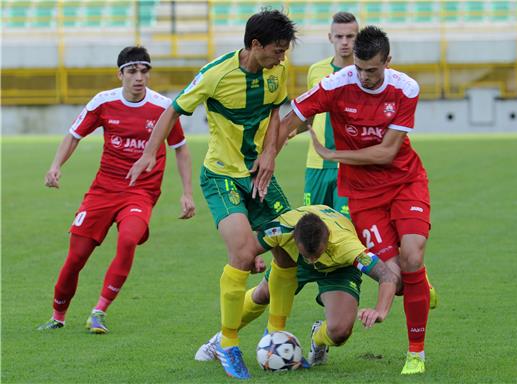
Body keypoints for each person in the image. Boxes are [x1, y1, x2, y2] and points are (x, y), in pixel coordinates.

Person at [126, 9, 297, 379]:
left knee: (289, 248)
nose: (282, 58)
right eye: (277, 51)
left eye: (285, 51)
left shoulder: (278, 71)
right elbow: (172, 112)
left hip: (259, 174)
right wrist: (146, 154)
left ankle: (275, 331)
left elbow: (275, 113)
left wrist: (270, 153)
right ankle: (228, 342)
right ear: (255, 45)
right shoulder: (215, 75)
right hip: (221, 176)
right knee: (242, 254)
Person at [277, 26, 433, 375]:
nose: (364, 76)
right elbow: (294, 117)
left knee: (413, 255)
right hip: (363, 195)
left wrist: (334, 154)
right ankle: (421, 288)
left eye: (372, 70)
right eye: (360, 69)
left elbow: (388, 150)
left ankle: (416, 353)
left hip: (405, 181)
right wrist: (269, 154)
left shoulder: (405, 88)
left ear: (387, 62)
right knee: (398, 278)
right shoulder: (338, 83)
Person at [37, 46, 195, 334]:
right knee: (76, 257)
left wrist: (187, 193)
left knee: (128, 239)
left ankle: (99, 311)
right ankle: (57, 315)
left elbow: (180, 149)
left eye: (144, 71)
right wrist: (55, 165)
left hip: (140, 192)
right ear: (120, 74)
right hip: (103, 190)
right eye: (132, 71)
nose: (139, 77)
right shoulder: (103, 102)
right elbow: (74, 136)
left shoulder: (163, 108)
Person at [194, 205, 400, 366]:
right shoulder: (282, 228)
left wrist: (380, 311)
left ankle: (317, 338)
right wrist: (252, 258)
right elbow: (246, 249)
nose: (311, 261)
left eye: (315, 256)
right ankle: (220, 339)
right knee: (262, 294)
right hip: (295, 262)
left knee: (339, 332)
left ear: (326, 242)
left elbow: (387, 276)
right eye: (307, 255)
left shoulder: (347, 247)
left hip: (338, 268)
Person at [301, 12, 358, 217]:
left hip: (351, 164)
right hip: (316, 163)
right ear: (330, 37)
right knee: (312, 229)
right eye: (339, 36)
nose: (345, 42)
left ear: (358, 38)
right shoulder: (316, 70)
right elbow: (309, 113)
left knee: (346, 229)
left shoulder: (367, 72)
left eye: (350, 36)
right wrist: (287, 132)